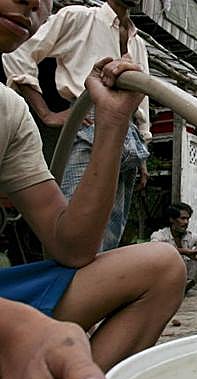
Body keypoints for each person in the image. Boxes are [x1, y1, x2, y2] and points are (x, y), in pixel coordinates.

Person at [0, 0, 185, 379]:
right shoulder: (78, 18)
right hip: (79, 127)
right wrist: (13, 326)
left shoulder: (10, 116)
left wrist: (114, 123)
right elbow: (22, 61)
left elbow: (71, 247)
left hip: (114, 134)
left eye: (43, 2)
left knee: (160, 266)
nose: (34, 4)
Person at [3, 0, 151, 251]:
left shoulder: (139, 42)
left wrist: (143, 150)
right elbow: (20, 52)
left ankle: (96, 288)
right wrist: (47, 113)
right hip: (88, 123)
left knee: (110, 235)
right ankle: (68, 286)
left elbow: (143, 98)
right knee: (77, 228)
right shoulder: (78, 17)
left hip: (129, 133)